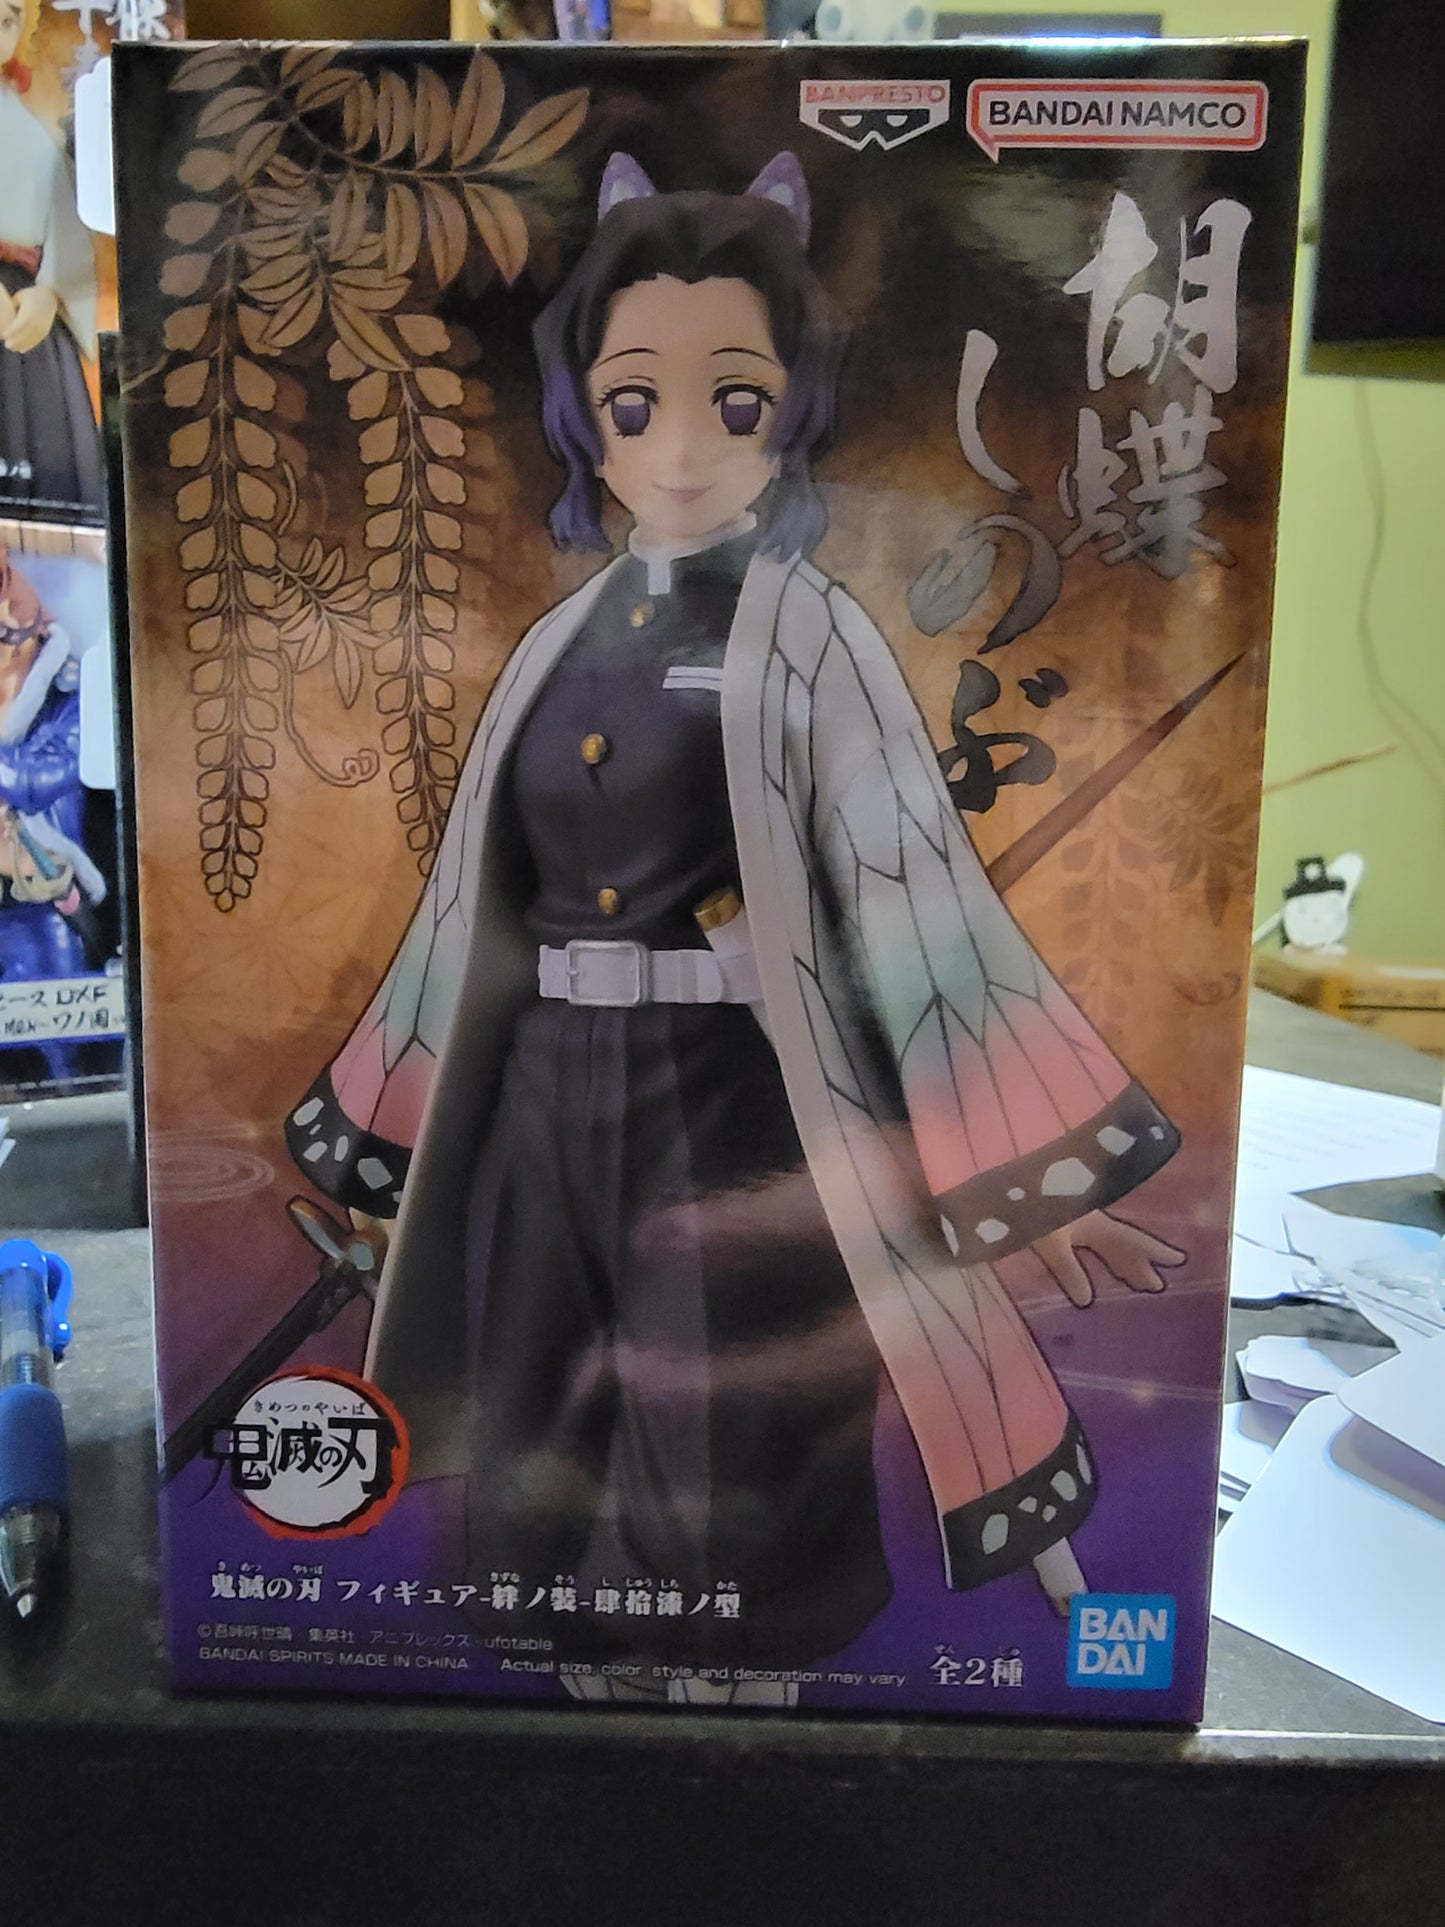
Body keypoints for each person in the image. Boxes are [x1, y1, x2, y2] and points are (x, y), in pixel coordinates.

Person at [287, 151, 1185, 1701]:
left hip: (734, 1102)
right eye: (636, 403)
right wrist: (395, 1138)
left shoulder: (811, 633)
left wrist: (1021, 1163)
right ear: (586, 412)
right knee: (538, 1383)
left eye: (737, 400)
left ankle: (733, 1696)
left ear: (794, 408)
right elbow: (460, 917)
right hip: (544, 1092)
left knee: (724, 1405)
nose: (685, 446)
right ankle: (571, 1677)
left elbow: (913, 899)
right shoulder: (555, 641)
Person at [0, 0, 103, 519]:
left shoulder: (31, 127)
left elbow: (65, 224)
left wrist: (51, 291)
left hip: (29, 310)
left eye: (7, 19)